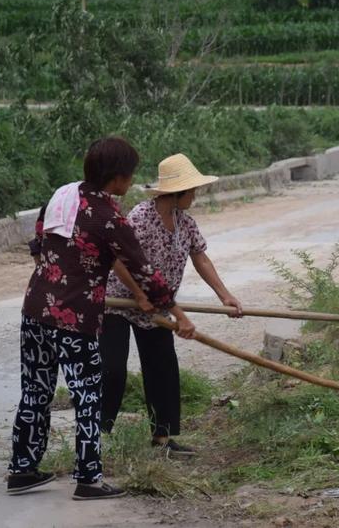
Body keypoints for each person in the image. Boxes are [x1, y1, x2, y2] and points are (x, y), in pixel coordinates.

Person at [8, 137, 194, 500]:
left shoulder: (62, 194)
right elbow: (144, 271)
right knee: (88, 395)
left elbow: (37, 242)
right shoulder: (111, 218)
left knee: (34, 392)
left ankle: (22, 470)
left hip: (35, 310)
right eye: (130, 175)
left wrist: (53, 276)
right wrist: (178, 314)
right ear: (117, 179)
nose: (131, 182)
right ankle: (89, 479)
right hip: (74, 319)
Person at [99, 153, 242, 455]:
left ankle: (162, 440)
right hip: (119, 303)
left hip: (157, 306)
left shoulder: (185, 223)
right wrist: (138, 295)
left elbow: (200, 257)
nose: (195, 195)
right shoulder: (140, 217)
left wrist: (224, 295)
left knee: (163, 368)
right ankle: (96, 437)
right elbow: (120, 260)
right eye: (193, 190)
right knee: (112, 370)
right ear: (177, 192)